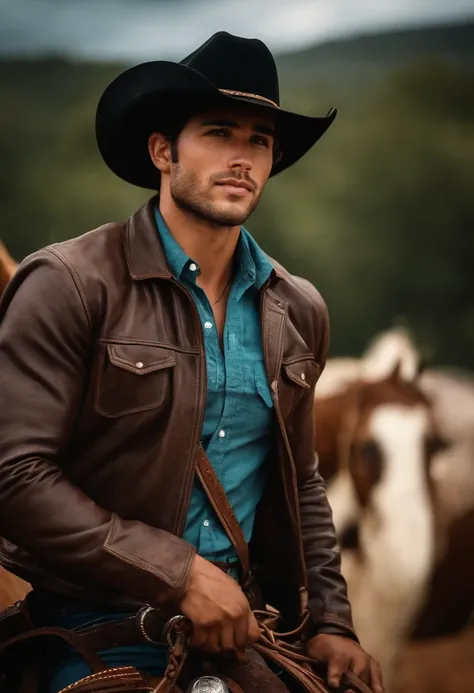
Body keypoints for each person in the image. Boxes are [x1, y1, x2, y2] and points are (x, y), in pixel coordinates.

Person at [0, 32, 384, 693]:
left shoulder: (298, 311)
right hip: (99, 624)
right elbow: (15, 476)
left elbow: (302, 484)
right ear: (162, 150)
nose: (243, 157)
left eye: (259, 140)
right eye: (218, 132)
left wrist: (332, 619)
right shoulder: (69, 283)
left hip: (249, 627)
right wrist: (180, 572)